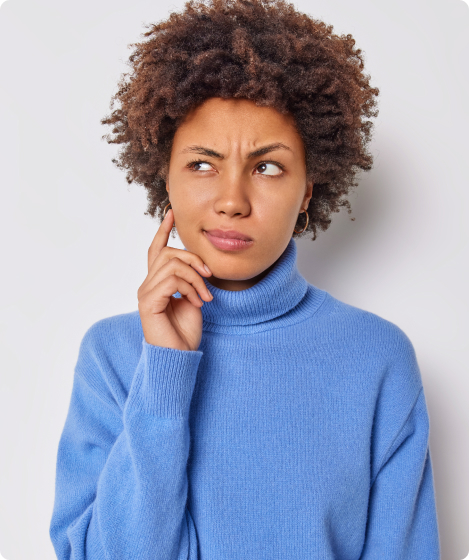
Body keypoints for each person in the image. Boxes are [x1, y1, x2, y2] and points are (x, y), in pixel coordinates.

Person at [49, 0, 441, 558]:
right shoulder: (113, 355)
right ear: (166, 180)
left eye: (267, 167)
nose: (232, 200)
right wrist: (165, 372)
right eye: (202, 164)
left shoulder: (376, 357)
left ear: (306, 193)